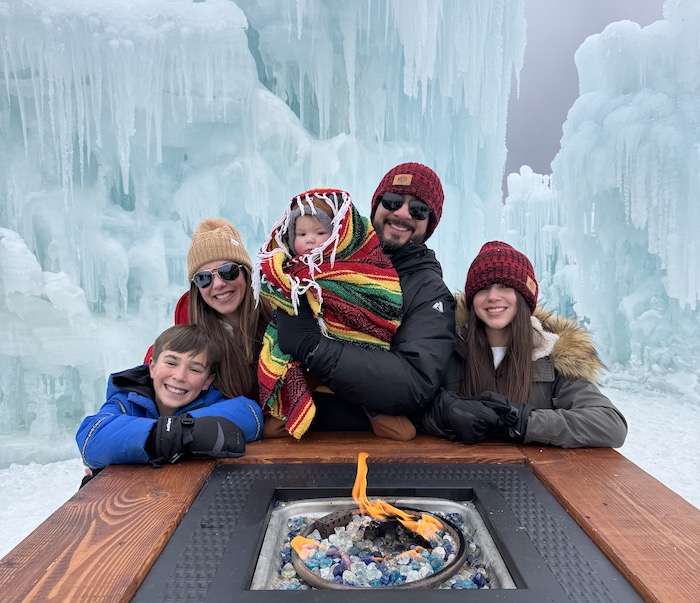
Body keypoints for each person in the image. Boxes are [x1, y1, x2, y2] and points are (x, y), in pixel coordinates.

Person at [273, 163, 456, 432]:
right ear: (376, 206)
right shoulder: (330, 257)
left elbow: (414, 382)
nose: (402, 214)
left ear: (429, 224)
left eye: (418, 209)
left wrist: (313, 347)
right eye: (393, 201)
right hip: (298, 438)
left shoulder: (428, 291)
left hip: (372, 447)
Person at [419, 241, 628, 448]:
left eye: (505, 286)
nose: (492, 296)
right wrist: (445, 414)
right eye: (483, 288)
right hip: (459, 471)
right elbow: (410, 410)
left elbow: (610, 424)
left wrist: (524, 421)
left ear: (524, 296)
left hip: (530, 475)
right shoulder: (446, 348)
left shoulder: (555, 358)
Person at [254, 188, 411, 440]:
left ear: (342, 234)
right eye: (301, 234)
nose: (310, 240)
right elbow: (278, 306)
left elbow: (382, 304)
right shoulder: (288, 272)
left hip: (355, 358)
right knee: (273, 427)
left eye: (320, 232)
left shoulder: (363, 268)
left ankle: (375, 408)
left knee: (399, 429)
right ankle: (292, 403)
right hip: (306, 361)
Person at [76, 324, 264, 472]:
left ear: (208, 380)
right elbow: (90, 438)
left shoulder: (210, 402)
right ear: (152, 367)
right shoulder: (127, 401)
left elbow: (250, 414)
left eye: (195, 369)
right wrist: (171, 434)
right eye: (171, 362)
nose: (180, 376)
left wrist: (178, 431)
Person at [144, 218, 273, 402]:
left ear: (246, 273)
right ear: (196, 288)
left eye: (228, 271)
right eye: (204, 278)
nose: (219, 284)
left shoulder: (277, 316)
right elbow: (142, 388)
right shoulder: (180, 339)